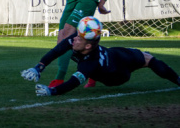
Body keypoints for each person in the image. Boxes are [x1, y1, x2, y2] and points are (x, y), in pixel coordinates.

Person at [21, 16, 180, 96]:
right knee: (146, 57)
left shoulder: (89, 63)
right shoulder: (80, 41)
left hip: (118, 73)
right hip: (112, 53)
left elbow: (72, 83)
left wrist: (52, 91)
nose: (74, 38)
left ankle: (178, 80)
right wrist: (38, 68)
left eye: (79, 38)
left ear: (88, 45)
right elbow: (56, 51)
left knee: (148, 59)